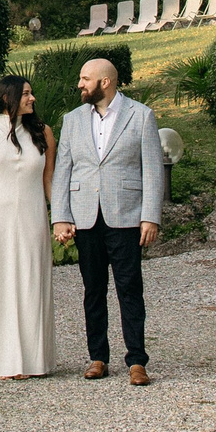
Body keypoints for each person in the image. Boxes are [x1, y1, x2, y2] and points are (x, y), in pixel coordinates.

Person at [50, 56, 164, 385]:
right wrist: (61, 217)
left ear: (105, 82)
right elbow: (63, 172)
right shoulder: (71, 120)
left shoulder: (141, 116)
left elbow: (153, 170)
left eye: (85, 78)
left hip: (127, 216)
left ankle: (137, 361)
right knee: (93, 290)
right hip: (86, 216)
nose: (80, 84)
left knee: (130, 289)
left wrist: (150, 216)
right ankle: (97, 356)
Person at [0, 74, 57, 379]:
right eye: (26, 94)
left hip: (32, 220)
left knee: (30, 285)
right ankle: (0, 359)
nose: (32, 99)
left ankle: (30, 360)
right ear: (7, 98)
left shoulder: (43, 133)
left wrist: (61, 219)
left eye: (32, 93)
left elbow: (49, 181)